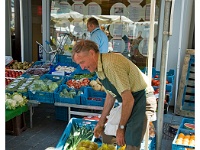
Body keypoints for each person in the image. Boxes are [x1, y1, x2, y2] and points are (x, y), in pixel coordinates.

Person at [72, 39, 156, 150]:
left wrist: (121, 128)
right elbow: (110, 96)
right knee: (108, 136)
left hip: (142, 100)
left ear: (92, 53)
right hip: (130, 100)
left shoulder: (111, 65)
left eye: (82, 62)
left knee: (131, 142)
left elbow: (129, 99)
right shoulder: (99, 68)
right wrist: (101, 123)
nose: (82, 68)